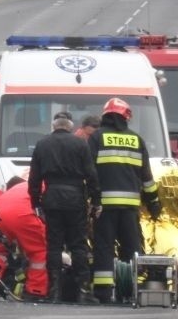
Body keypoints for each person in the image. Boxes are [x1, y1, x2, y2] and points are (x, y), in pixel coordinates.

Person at [87, 98, 162, 304]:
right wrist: (154, 202)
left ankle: (103, 292)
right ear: (126, 117)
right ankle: (129, 290)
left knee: (104, 246)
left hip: (105, 206)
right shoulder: (137, 139)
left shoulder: (97, 138)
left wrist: (91, 198)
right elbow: (147, 176)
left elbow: (90, 171)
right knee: (131, 246)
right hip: (130, 207)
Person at [28, 111, 101, 304]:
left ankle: (54, 291)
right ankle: (83, 291)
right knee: (78, 244)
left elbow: (34, 178)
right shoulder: (80, 144)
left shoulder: (42, 144)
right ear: (70, 126)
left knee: (54, 245)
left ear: (54, 126)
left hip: (51, 198)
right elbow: (91, 175)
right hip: (75, 197)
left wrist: (35, 203)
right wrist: (96, 201)